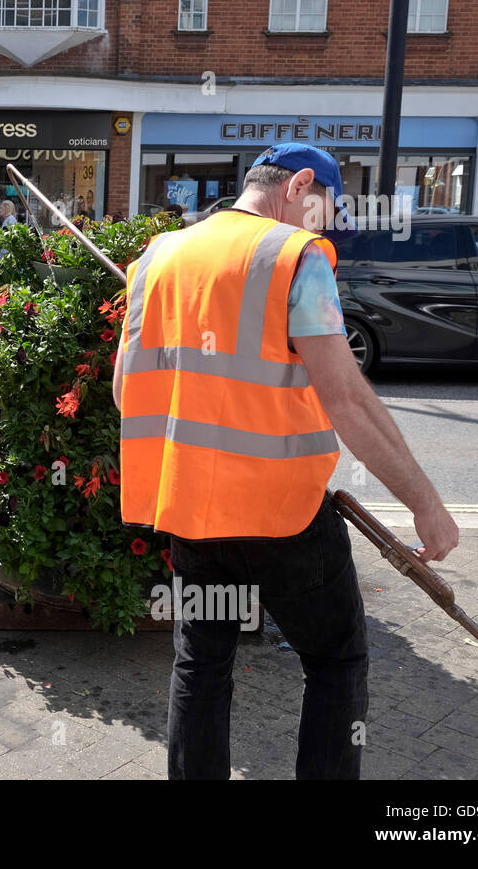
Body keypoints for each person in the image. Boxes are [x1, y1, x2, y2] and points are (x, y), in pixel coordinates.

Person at [112, 142, 459, 780]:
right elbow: (348, 399)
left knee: (201, 665)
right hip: (282, 516)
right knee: (334, 659)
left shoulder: (159, 256)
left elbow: (122, 392)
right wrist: (426, 506)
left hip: (189, 510)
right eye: (326, 209)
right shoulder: (294, 257)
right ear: (300, 185)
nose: (326, 227)